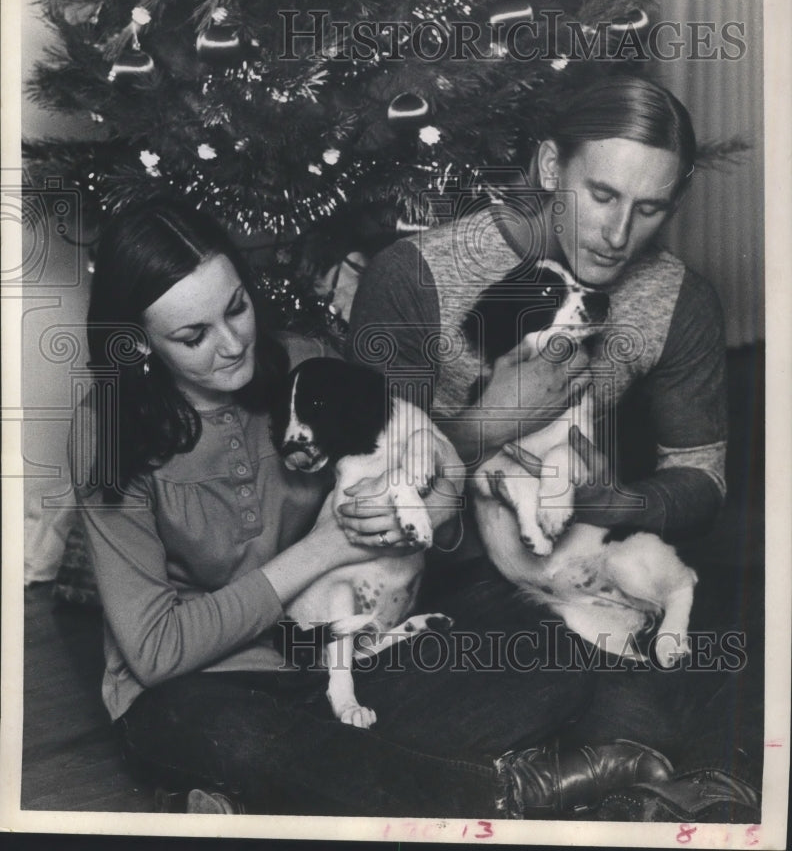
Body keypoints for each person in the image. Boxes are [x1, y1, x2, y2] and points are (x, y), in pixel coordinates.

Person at [70, 197, 675, 819]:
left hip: (347, 646)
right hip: (204, 685)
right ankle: (506, 791)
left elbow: (433, 471)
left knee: (545, 651)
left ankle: (285, 793)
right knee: (213, 727)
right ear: (138, 343)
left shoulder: (306, 365)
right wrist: (328, 547)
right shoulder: (107, 432)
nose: (231, 345)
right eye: (193, 336)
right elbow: (155, 650)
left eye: (237, 308)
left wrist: (429, 509)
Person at [346, 75, 761, 821]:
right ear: (548, 168)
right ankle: (645, 774)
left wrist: (620, 501)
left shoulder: (677, 298)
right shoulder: (414, 278)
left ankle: (625, 782)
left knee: (759, 613)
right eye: (601, 195)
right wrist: (494, 421)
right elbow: (373, 508)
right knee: (561, 664)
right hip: (447, 587)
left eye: (650, 208)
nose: (618, 233)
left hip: (578, 558)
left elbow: (701, 479)